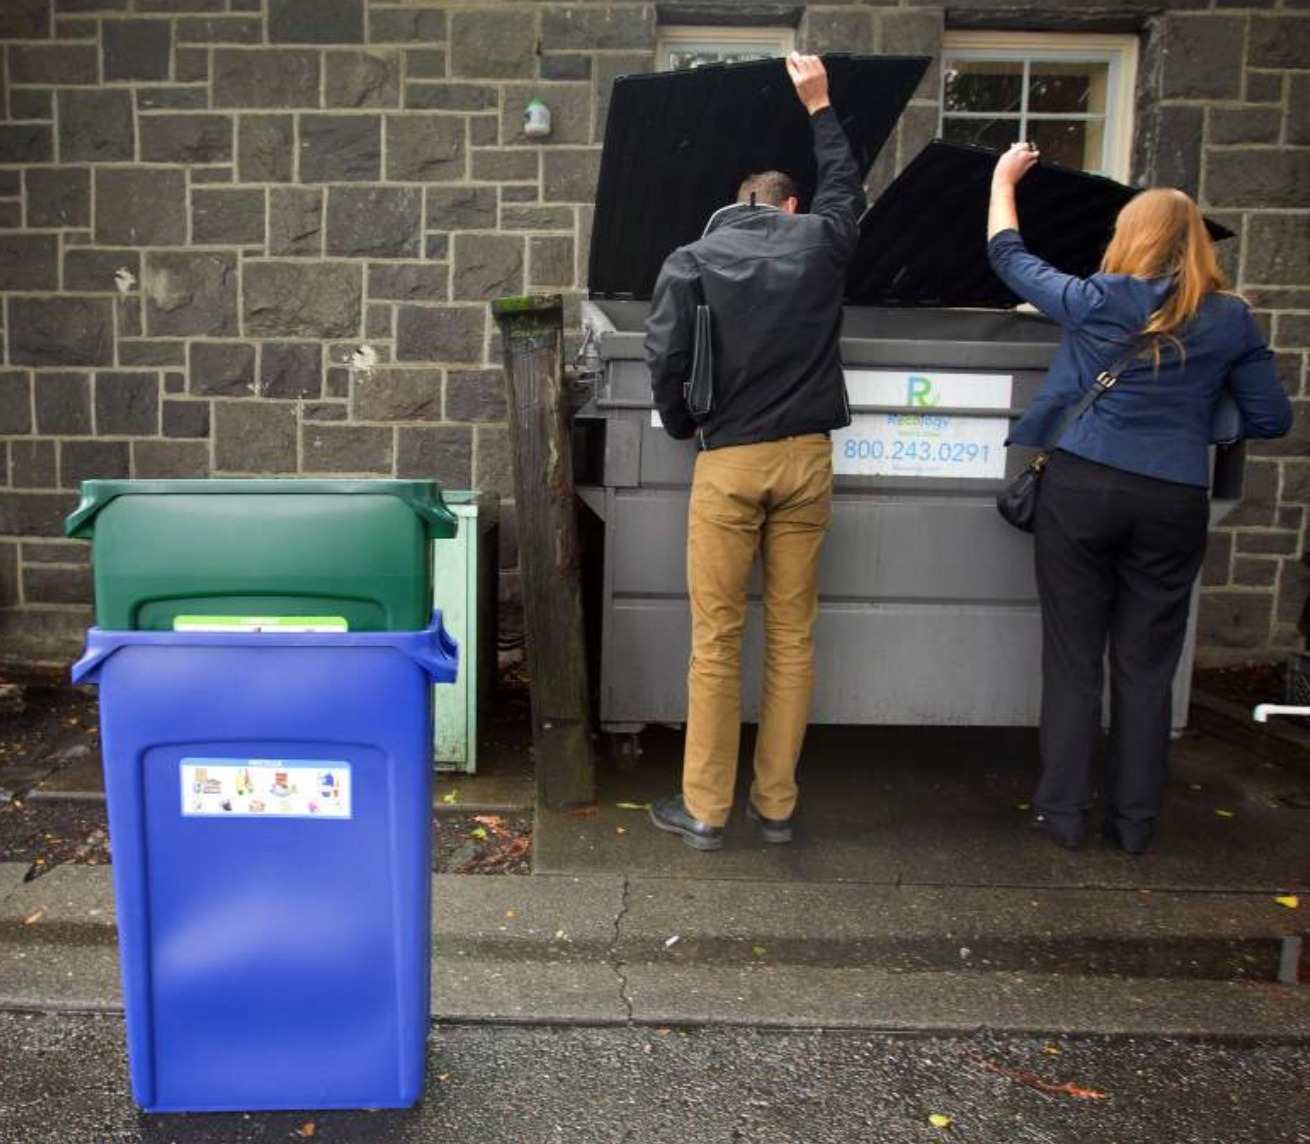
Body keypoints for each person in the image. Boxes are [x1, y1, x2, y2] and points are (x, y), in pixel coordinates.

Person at [988, 141, 1292, 854]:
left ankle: (1061, 817)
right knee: (1147, 668)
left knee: (1072, 660)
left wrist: (1004, 179)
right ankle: (1134, 826)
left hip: (1083, 487)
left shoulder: (1099, 299)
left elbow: (1008, 254)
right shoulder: (1231, 319)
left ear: (1131, 238)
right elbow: (1271, 419)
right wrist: (1194, 419)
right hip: (1174, 497)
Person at [643, 52, 864, 850]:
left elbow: (663, 356)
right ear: (791, 205)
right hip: (806, 460)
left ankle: (705, 809)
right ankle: (777, 806)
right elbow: (848, 190)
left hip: (729, 462)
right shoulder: (822, 243)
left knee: (716, 639)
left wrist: (680, 424)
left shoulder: (693, 260)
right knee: (793, 636)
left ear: (732, 207)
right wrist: (818, 105)